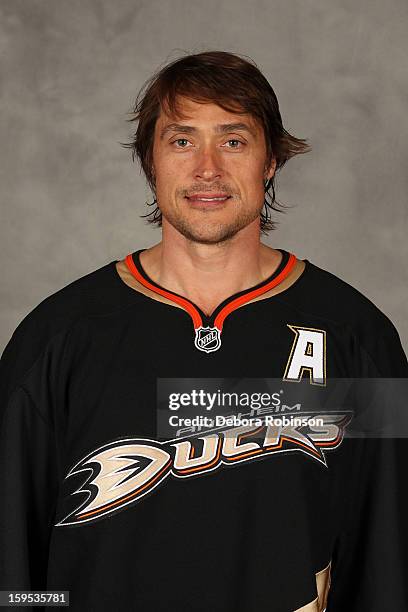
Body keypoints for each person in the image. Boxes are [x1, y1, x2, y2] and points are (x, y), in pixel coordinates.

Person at [0, 50, 406, 612]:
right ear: (151, 162)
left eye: (234, 140)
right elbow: (12, 568)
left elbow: (388, 562)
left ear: (271, 162)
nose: (207, 168)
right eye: (182, 140)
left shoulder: (358, 338)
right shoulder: (57, 338)